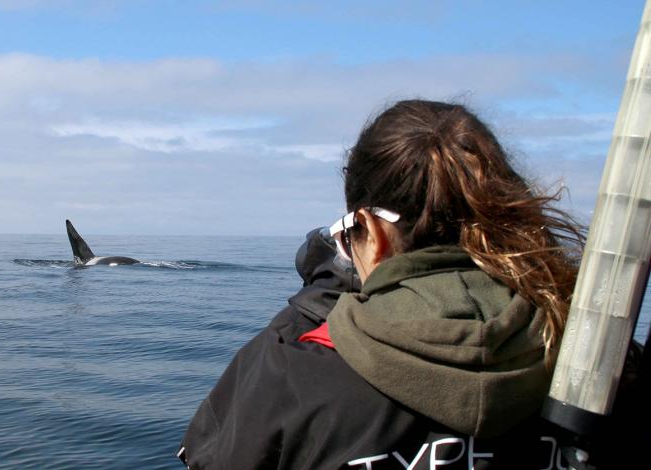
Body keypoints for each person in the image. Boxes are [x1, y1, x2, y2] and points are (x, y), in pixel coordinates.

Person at [177, 100, 639, 468]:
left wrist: (307, 310)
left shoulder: (291, 370)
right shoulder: (604, 358)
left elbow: (211, 451)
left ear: (370, 233)